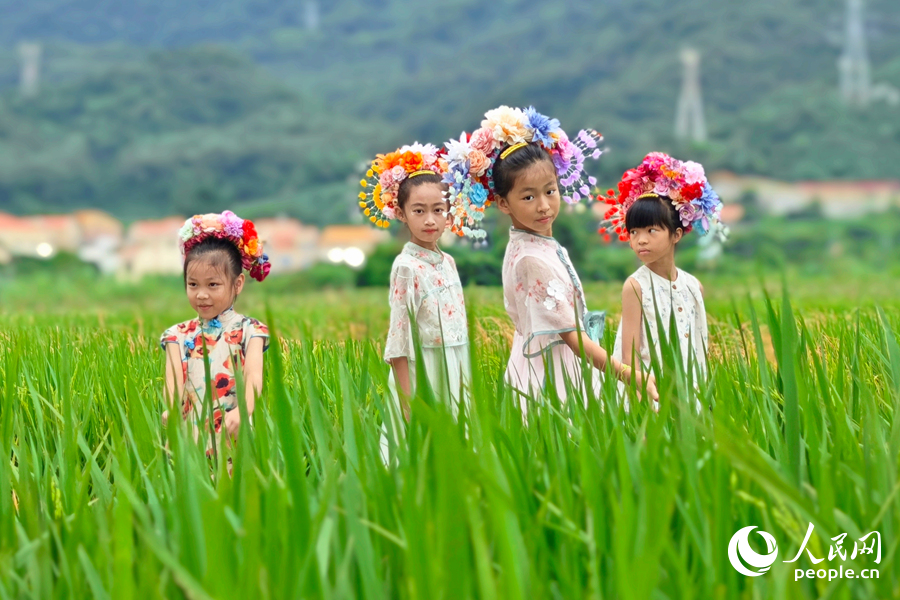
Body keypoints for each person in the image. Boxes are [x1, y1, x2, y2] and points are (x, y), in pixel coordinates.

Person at [444, 105, 657, 413]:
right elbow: (572, 337)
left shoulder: (536, 244)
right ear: (503, 203)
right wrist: (628, 374)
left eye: (550, 191)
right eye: (528, 197)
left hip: (557, 365)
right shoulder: (530, 258)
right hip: (553, 374)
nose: (543, 205)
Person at [358, 144, 470, 459]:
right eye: (419, 211)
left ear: (449, 212)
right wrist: (409, 405)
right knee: (420, 456)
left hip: (456, 368)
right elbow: (399, 340)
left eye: (438, 210)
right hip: (425, 373)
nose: (430, 220)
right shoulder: (406, 267)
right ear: (402, 213)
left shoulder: (448, 262)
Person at [599, 152, 727, 408]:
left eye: (651, 230)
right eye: (634, 232)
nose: (641, 240)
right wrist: (640, 406)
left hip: (689, 394)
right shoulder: (636, 286)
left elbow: (699, 347)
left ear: (676, 235)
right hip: (650, 395)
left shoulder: (694, 286)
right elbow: (630, 356)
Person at [160, 211, 270, 454]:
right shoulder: (176, 335)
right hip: (189, 435)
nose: (201, 294)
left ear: (237, 284)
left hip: (234, 431)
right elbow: (173, 381)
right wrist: (171, 409)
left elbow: (253, 377)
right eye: (193, 284)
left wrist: (243, 410)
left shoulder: (251, 331)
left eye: (213, 285)